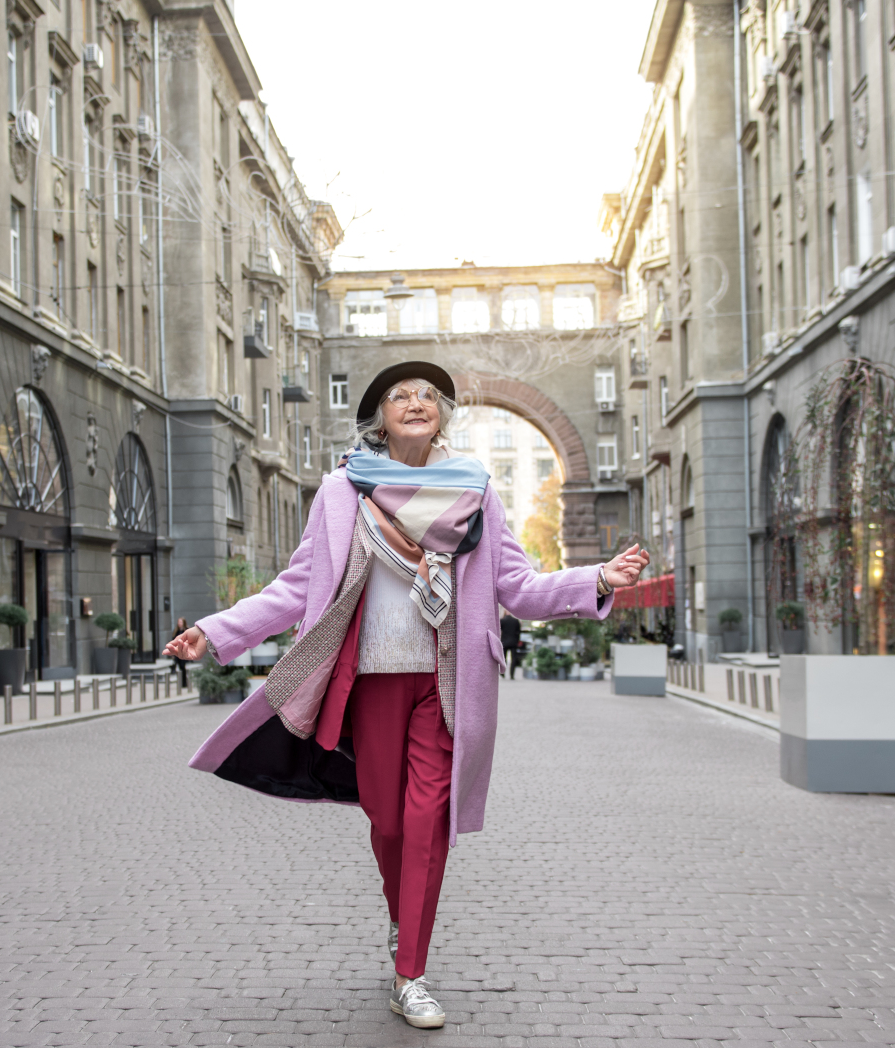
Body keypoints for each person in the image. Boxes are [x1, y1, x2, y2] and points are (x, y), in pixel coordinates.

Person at [167, 362, 647, 1029]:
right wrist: (214, 634)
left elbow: (519, 586)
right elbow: (294, 587)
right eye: (400, 395)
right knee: (388, 823)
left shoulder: (475, 489)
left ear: (443, 415)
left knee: (427, 823)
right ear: (378, 419)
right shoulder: (343, 492)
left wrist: (598, 577)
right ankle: (404, 922)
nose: (416, 402)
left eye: (428, 396)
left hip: (446, 684)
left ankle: (410, 973)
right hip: (367, 682)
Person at [168, 617, 191, 690]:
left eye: (181, 622)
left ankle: (184, 682)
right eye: (178, 622)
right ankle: (181, 681)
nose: (179, 623)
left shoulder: (186, 630)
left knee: (182, 666)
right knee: (179, 667)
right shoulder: (176, 631)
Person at [499, 611, 522, 680]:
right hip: (513, 642)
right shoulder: (516, 621)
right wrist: (517, 641)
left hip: (504, 642)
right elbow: (518, 632)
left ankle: (502, 673)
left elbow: (499, 630)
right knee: (514, 659)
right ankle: (512, 675)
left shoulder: (502, 621)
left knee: (503, 658)